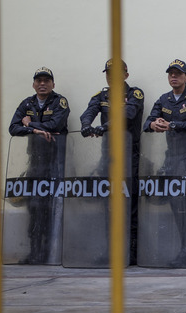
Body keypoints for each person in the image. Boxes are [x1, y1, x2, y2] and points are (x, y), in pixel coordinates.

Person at [143, 59, 186, 267]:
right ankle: (184, 247)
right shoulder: (164, 99)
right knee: (175, 203)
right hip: (172, 157)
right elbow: (147, 122)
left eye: (178, 74)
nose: (174, 77)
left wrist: (172, 124)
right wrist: (154, 124)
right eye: (171, 73)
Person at [79, 59, 145, 263]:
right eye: (108, 73)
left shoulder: (135, 94)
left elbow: (128, 113)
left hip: (129, 155)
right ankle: (111, 250)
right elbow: (88, 112)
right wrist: (86, 125)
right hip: (108, 156)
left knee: (130, 202)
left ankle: (131, 252)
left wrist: (104, 126)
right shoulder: (101, 96)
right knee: (108, 203)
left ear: (125, 75)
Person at [8, 67, 70, 264]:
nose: (42, 84)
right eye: (39, 80)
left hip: (55, 163)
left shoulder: (60, 102)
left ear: (53, 84)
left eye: (46, 80)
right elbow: (12, 128)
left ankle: (51, 253)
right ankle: (35, 253)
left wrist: (29, 125)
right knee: (34, 208)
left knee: (52, 207)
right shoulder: (27, 103)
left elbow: (55, 126)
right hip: (35, 163)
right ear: (34, 84)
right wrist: (34, 131)